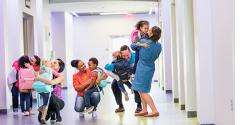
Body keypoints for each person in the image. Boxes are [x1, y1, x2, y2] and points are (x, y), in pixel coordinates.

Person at [132, 26, 162, 117]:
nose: (147, 31)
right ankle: (144, 109)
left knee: (143, 91)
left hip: (142, 68)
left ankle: (154, 110)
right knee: (141, 89)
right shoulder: (159, 45)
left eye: (149, 30)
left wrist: (140, 42)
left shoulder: (144, 42)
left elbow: (132, 46)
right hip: (150, 67)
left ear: (152, 33)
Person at [111, 45, 142, 113]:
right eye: (123, 56)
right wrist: (120, 78)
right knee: (114, 85)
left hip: (134, 74)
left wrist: (130, 77)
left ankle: (139, 105)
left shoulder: (136, 57)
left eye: (127, 55)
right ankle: (120, 106)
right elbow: (113, 68)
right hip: (122, 76)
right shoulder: (118, 59)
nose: (126, 57)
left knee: (135, 84)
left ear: (130, 52)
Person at [35, 58, 65, 124]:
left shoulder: (61, 76)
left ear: (59, 67)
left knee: (51, 96)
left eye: (55, 63)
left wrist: (39, 78)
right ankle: (52, 113)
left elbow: (51, 83)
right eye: (51, 62)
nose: (52, 64)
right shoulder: (47, 74)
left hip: (59, 102)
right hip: (48, 103)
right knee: (40, 120)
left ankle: (58, 116)